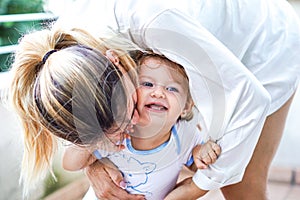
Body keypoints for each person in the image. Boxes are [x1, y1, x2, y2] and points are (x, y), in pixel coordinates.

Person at [52, 0, 300, 199]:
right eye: (147, 85)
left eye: (124, 116)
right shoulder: (66, 65)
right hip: (191, 41)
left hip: (266, 44)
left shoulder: (151, 21)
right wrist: (91, 161)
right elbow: (75, 150)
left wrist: (194, 188)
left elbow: (250, 99)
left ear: (117, 62)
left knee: (244, 186)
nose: (123, 133)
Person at [62, 53, 221, 200]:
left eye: (172, 88)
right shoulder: (116, 131)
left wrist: (202, 152)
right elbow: (70, 164)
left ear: (186, 105)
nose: (158, 93)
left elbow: (198, 167)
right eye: (147, 83)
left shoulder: (186, 135)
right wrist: (96, 138)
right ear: (131, 91)